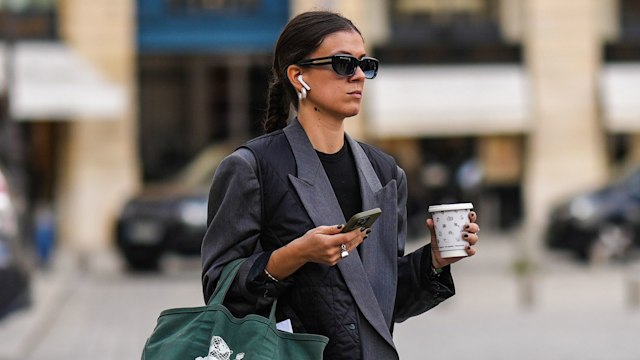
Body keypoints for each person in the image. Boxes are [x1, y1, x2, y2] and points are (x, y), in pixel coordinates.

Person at [201, 10, 480, 360]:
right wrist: (295, 254)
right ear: (299, 76)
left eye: (365, 64)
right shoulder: (251, 168)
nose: (360, 76)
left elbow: (379, 303)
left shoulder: (385, 173)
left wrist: (435, 260)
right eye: (344, 63)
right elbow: (220, 293)